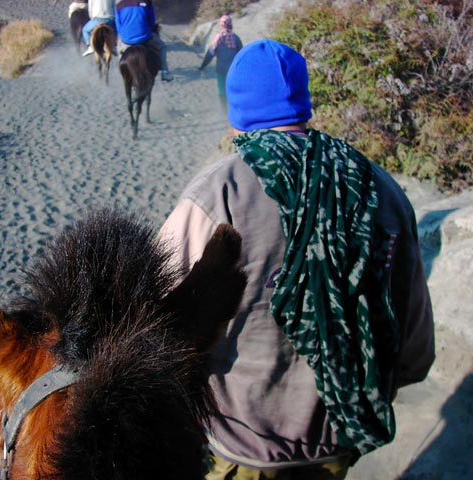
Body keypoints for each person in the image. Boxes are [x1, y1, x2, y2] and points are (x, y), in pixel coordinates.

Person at [159, 39, 435, 480]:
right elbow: (414, 342)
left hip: (241, 446)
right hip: (336, 442)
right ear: (303, 104)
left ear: (238, 115)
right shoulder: (378, 187)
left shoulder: (217, 193)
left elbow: (159, 317)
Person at [114, 0, 173, 81]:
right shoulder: (147, 3)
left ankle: (123, 73)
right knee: (162, 46)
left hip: (126, 40)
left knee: (119, 50)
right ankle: (164, 72)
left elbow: (118, 28)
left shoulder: (119, 5)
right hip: (145, 38)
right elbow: (152, 23)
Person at [198, 15, 243, 110]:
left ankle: (223, 110)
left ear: (221, 25)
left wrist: (202, 66)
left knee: (222, 90)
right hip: (233, 70)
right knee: (233, 89)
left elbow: (210, 53)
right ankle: (234, 109)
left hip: (220, 69)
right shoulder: (235, 38)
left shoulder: (218, 38)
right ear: (231, 25)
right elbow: (242, 54)